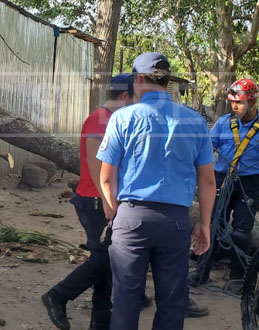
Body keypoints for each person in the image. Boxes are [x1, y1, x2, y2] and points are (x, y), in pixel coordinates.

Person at [97, 53, 217, 330]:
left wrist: (115, 214)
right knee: (173, 302)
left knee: (126, 299)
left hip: (131, 217)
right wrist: (205, 224)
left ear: (139, 80)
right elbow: (208, 181)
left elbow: (106, 178)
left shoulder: (122, 118)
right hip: (175, 222)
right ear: (167, 82)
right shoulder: (195, 121)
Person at [41, 74, 146, 330]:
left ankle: (100, 319)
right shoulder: (100, 119)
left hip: (105, 198)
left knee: (108, 260)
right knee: (103, 260)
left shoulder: (112, 119)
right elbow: (93, 162)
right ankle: (58, 295)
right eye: (136, 96)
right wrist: (108, 199)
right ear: (125, 96)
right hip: (95, 200)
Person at [189, 78, 259, 291]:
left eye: (240, 102)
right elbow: (207, 148)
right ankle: (202, 271)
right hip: (221, 180)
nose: (235, 106)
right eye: (232, 102)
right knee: (213, 224)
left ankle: (237, 278)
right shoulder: (223, 123)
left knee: (241, 231)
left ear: (253, 102)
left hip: (250, 182)